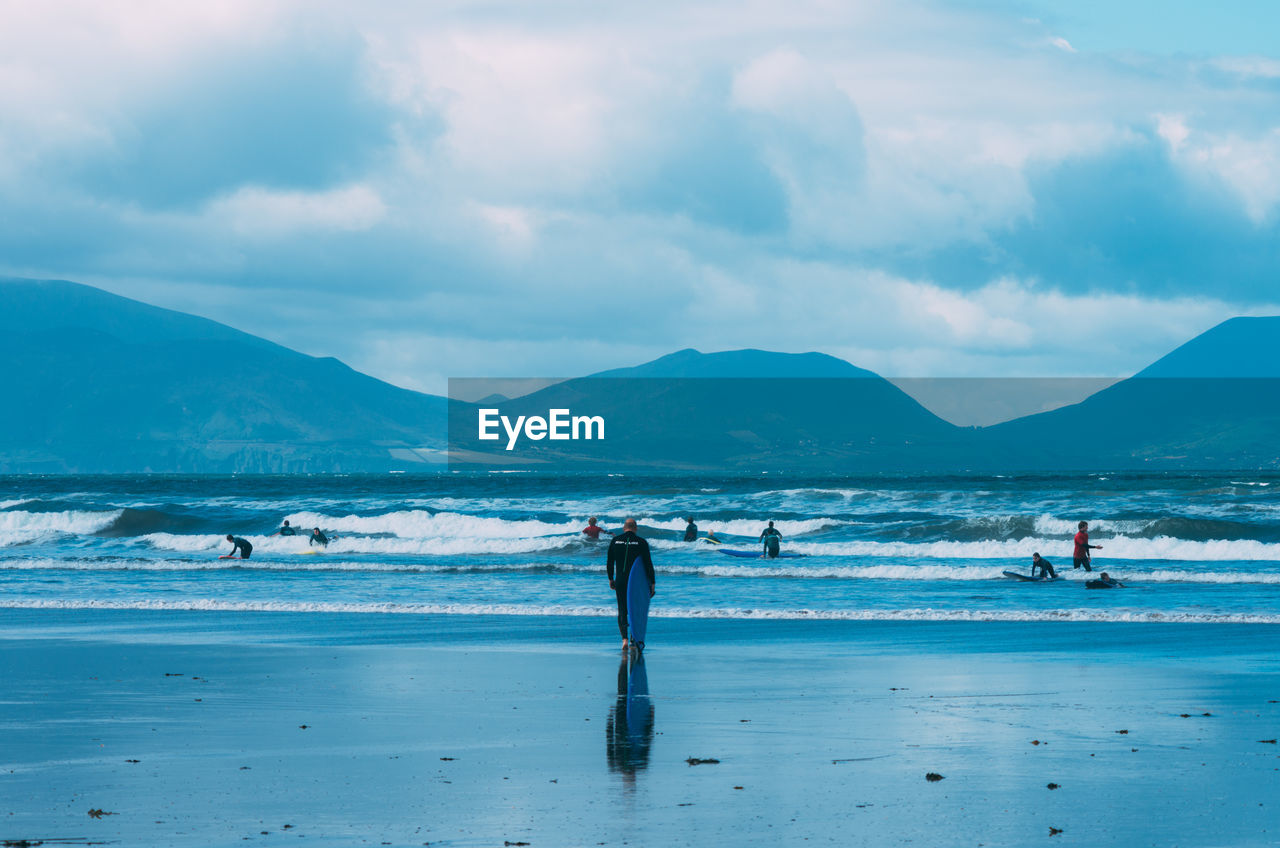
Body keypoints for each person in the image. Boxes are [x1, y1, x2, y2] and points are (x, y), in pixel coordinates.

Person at [606, 518, 656, 650]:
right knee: (636, 609)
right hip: (636, 582)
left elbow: (610, 561)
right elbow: (647, 563)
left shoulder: (615, 541)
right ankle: (634, 638)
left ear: (624, 528)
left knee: (622, 609)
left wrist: (611, 578)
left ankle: (624, 640)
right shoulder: (641, 542)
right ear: (635, 528)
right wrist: (652, 582)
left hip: (620, 580)